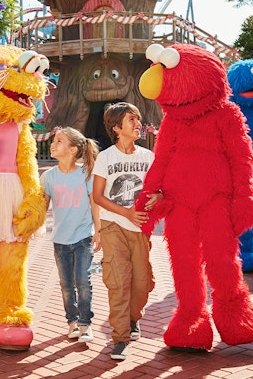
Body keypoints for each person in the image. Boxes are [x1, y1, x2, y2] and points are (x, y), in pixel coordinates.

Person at [91, 102, 162, 360]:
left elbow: (160, 188)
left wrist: (158, 196)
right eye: (132, 120)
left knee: (142, 283)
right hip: (113, 224)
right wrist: (126, 213)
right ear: (117, 127)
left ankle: (133, 318)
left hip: (140, 227)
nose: (138, 124)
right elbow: (98, 196)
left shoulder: (148, 157)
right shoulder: (105, 157)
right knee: (119, 281)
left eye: (138, 119)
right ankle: (120, 338)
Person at [41, 127, 101, 344]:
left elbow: (95, 204)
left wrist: (99, 230)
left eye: (59, 141)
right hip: (60, 240)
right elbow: (41, 206)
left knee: (83, 281)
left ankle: (86, 324)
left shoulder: (86, 174)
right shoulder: (48, 177)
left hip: (83, 237)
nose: (53, 144)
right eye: (54, 141)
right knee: (66, 284)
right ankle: (72, 322)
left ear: (73, 149)